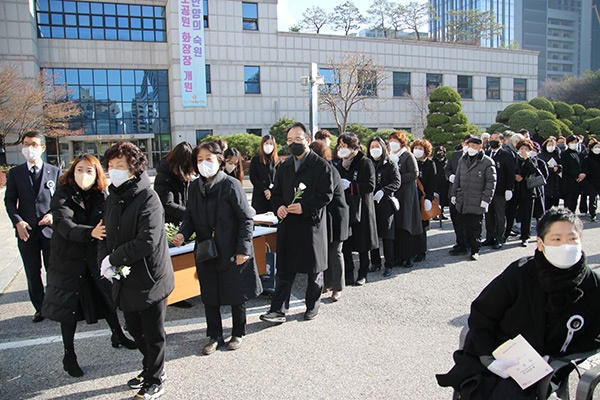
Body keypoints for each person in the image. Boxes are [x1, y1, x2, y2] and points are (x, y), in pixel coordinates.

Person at [437, 207, 600, 399]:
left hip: (543, 368)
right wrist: (487, 358)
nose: (566, 245)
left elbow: (593, 337)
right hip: (498, 353)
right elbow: (483, 312)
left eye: (572, 239)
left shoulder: (593, 285)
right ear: (540, 244)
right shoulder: (521, 272)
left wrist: (557, 358)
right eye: (556, 239)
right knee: (480, 388)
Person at [42, 154, 135, 378]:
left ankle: (118, 335)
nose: (84, 175)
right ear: (72, 172)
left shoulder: (103, 194)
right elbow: (64, 224)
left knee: (107, 298)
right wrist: (90, 232)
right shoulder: (62, 194)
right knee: (69, 309)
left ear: (97, 174)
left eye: (90, 171)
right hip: (68, 260)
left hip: (94, 257)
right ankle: (69, 355)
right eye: (80, 170)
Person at [98, 141, 174, 400]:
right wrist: (104, 261)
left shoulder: (148, 198)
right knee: (134, 328)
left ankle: (156, 377)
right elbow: (105, 235)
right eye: (110, 166)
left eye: (120, 165)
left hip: (150, 277)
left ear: (134, 169)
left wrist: (113, 258)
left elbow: (147, 240)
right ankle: (149, 367)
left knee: (153, 333)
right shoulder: (112, 198)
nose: (114, 170)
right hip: (124, 276)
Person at [173, 142, 261, 355]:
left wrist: (244, 249)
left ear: (219, 160)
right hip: (206, 249)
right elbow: (190, 216)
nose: (204, 164)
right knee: (209, 293)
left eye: (209, 159)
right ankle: (214, 335)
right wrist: (183, 233)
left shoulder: (230, 185)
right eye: (200, 160)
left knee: (236, 291)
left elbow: (245, 219)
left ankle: (238, 332)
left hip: (231, 249)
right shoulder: (194, 187)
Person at [260, 122, 333, 323]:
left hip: (311, 225)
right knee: (284, 270)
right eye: (290, 140)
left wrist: (305, 207)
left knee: (313, 270)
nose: (293, 144)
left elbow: (326, 195)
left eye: (298, 139)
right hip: (288, 224)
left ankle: (312, 306)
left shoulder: (321, 166)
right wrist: (279, 207)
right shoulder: (284, 166)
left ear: (308, 141)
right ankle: (277, 310)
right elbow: (276, 194)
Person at [4, 131, 61, 322]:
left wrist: (53, 216)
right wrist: (17, 221)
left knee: (53, 269)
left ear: (43, 148)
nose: (30, 148)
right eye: (27, 144)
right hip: (26, 232)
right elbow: (10, 200)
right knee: (32, 271)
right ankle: (41, 308)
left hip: (49, 231)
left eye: (34, 144)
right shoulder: (15, 173)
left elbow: (62, 200)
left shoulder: (54, 171)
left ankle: (56, 305)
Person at [333, 133, 378, 286]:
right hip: (345, 207)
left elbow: (370, 186)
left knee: (363, 242)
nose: (341, 148)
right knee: (346, 242)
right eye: (340, 145)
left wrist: (351, 186)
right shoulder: (339, 164)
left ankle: (363, 273)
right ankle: (348, 273)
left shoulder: (365, 162)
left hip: (362, 208)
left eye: (344, 145)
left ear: (353, 146)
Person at [309, 140, 349, 301]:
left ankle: (338, 287)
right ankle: (327, 283)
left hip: (337, 216)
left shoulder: (328, 169)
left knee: (335, 252)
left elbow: (325, 195)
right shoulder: (316, 170)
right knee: (324, 252)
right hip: (324, 217)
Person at [450, 137, 496, 261]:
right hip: (462, 198)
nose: (471, 148)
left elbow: (491, 183)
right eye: (469, 145)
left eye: (474, 146)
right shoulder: (462, 160)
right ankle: (463, 246)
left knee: (475, 226)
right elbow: (457, 179)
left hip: (477, 199)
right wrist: (453, 194)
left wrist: (486, 199)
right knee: (461, 224)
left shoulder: (487, 162)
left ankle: (475, 250)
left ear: (480, 147)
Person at [366, 136, 401, 277]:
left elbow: (397, 182)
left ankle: (389, 264)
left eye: (377, 146)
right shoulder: (367, 163)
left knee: (387, 236)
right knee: (372, 234)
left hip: (385, 203)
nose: (375, 149)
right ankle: (375, 262)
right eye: (372, 146)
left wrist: (384, 191)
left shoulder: (390, 163)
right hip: (370, 203)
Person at [389, 131, 423, 268]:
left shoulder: (407, 155)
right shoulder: (390, 156)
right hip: (395, 193)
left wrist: (398, 179)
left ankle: (410, 256)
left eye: (395, 140)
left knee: (407, 223)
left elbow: (414, 173)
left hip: (407, 193)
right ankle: (399, 256)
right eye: (390, 140)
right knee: (397, 225)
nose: (392, 143)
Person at [483, 132, 516, 249]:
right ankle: (489, 237)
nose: (493, 140)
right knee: (488, 215)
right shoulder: (486, 154)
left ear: (501, 141)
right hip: (487, 190)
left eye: (496, 138)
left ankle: (499, 238)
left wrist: (509, 189)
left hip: (500, 190)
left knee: (500, 215)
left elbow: (510, 173)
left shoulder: (507, 155)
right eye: (491, 138)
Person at [514, 139, 548, 247]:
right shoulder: (514, 159)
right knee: (512, 213)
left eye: (526, 149)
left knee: (526, 215)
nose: (523, 151)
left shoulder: (533, 159)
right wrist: (515, 176)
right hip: (515, 189)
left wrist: (526, 158)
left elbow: (534, 170)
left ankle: (525, 236)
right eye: (521, 149)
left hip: (528, 190)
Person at [154, 142, 194, 225]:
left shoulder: (183, 175)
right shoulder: (164, 176)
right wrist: (190, 215)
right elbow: (167, 204)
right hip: (170, 224)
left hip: (183, 221)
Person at [411, 139, 436, 262]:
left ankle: (421, 251)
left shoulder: (430, 164)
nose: (417, 151)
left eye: (420, 149)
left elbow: (432, 183)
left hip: (422, 198)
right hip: (411, 197)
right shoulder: (411, 161)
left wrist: (429, 199)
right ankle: (412, 250)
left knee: (421, 226)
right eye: (415, 148)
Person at [249, 134, 280, 214]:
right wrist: (264, 190)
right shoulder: (256, 160)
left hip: (273, 196)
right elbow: (253, 177)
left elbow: (280, 178)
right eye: (266, 143)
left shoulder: (278, 162)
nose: (268, 146)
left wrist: (271, 190)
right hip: (259, 197)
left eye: (271, 144)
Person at [560, 135, 587, 213]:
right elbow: (566, 167)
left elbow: (584, 165)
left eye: (576, 142)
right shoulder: (565, 154)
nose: (574, 144)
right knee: (568, 201)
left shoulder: (580, 154)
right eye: (572, 142)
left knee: (575, 200)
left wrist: (583, 174)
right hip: (568, 181)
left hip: (579, 181)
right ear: (568, 143)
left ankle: (573, 215)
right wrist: (577, 174)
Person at [538, 137, 562, 211]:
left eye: (552, 145)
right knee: (546, 199)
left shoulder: (556, 154)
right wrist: (550, 169)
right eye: (549, 145)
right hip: (546, 180)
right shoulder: (541, 155)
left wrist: (558, 167)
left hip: (555, 180)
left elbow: (561, 164)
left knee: (555, 199)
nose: (551, 147)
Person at [583, 139, 600, 222]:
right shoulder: (587, 158)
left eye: (599, 147)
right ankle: (592, 214)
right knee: (592, 198)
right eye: (596, 147)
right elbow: (586, 169)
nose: (598, 149)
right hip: (591, 181)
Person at [432, 146, 449, 220]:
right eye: (438, 151)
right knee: (435, 199)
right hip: (435, 182)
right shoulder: (433, 161)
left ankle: (441, 213)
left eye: (441, 151)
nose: (440, 153)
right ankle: (434, 214)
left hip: (444, 182)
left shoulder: (446, 161)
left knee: (443, 198)